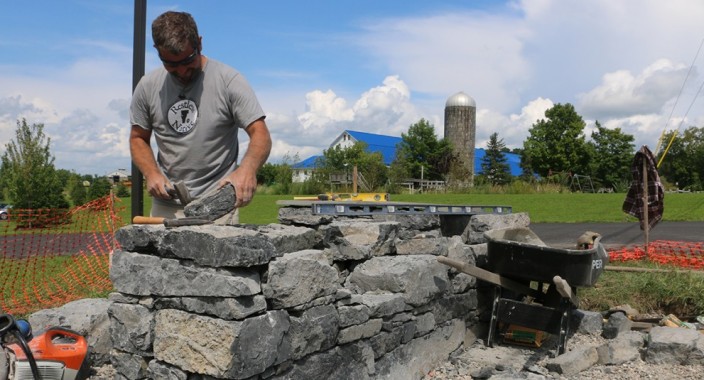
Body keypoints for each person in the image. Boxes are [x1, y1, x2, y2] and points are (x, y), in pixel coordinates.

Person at [130, 11, 271, 223]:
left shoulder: (228, 80)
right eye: (171, 65)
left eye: (188, 60)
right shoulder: (148, 87)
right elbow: (137, 138)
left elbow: (260, 133)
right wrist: (152, 174)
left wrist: (247, 170)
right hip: (167, 207)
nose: (182, 71)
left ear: (200, 44)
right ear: (158, 53)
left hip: (217, 207)